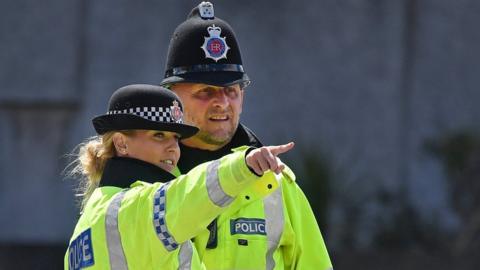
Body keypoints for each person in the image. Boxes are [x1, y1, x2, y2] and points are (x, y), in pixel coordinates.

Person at [160, 2, 333, 270]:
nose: (222, 102)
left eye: (232, 90)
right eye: (206, 91)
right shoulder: (149, 180)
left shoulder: (276, 180)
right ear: (173, 97)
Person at [64, 84, 294, 270]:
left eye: (175, 138)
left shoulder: (87, 221)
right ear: (122, 143)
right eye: (159, 135)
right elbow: (192, 192)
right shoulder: (140, 208)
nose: (173, 148)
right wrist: (243, 165)